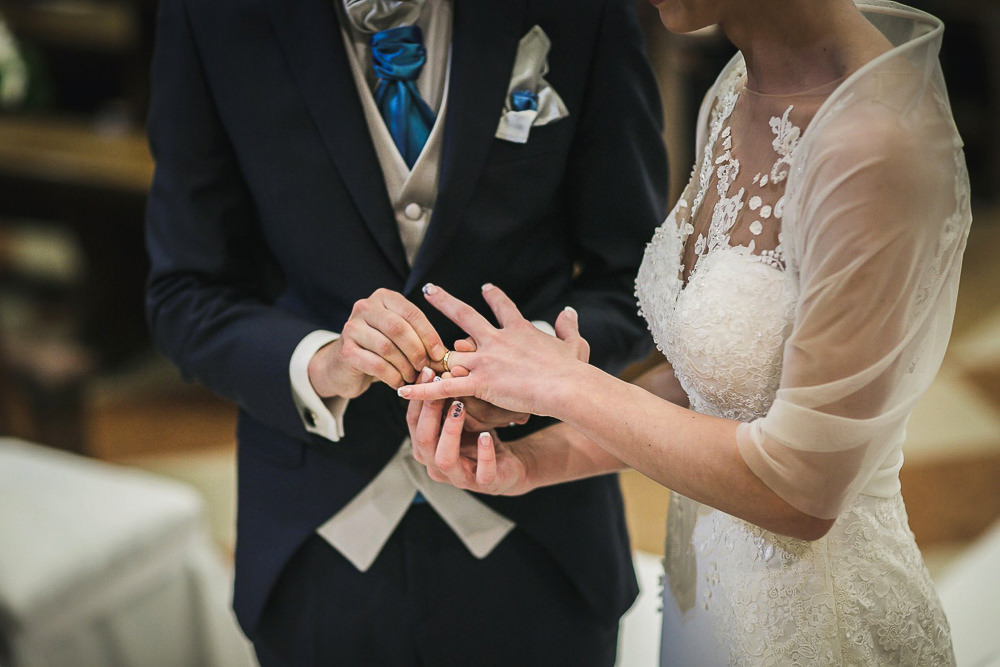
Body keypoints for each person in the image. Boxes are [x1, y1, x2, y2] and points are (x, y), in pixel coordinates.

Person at [399, 0, 968, 663]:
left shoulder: (873, 140)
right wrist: (532, 460)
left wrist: (567, 384)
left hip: (816, 623)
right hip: (708, 596)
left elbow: (802, 490)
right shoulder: (735, 87)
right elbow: (715, 387)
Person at [144, 0, 667, 663]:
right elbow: (185, 293)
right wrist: (322, 361)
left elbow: (638, 282)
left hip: (544, 536)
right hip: (315, 537)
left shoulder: (582, 11)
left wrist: (538, 365)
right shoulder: (209, 16)